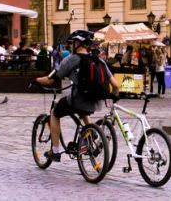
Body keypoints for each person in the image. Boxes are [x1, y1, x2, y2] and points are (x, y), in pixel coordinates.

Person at [35, 30, 120, 162]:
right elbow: (116, 85)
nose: (70, 46)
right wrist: (114, 97)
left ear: (78, 43)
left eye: (72, 42)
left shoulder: (71, 59)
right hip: (96, 102)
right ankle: (90, 132)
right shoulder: (99, 60)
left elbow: (50, 80)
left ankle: (55, 151)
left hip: (78, 100)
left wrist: (35, 80)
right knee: (82, 110)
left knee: (55, 113)